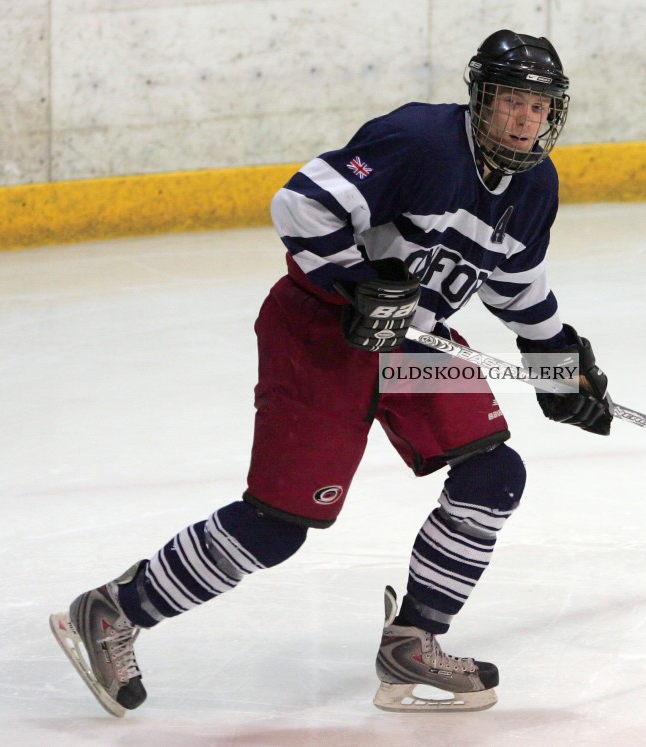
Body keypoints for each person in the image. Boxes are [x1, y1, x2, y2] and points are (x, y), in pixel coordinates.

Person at [49, 29, 612, 716]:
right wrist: (357, 281)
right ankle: (113, 611)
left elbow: (519, 289)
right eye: (512, 103)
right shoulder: (420, 142)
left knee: (495, 473)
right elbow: (300, 205)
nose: (525, 121)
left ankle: (415, 639)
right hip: (322, 335)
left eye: (539, 107)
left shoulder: (535, 187)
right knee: (277, 525)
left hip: (417, 349)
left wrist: (559, 367)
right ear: (482, 99)